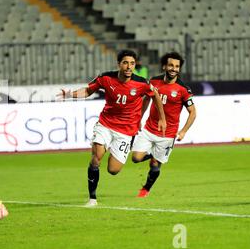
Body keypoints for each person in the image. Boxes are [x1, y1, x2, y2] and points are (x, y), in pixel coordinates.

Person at [58, 49, 167, 206]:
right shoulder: (106, 78)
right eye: (125, 63)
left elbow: (155, 96)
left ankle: (122, 151)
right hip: (106, 124)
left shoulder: (142, 83)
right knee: (96, 158)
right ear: (119, 64)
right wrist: (70, 94)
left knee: (113, 170)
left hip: (126, 132)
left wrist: (162, 118)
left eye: (132, 63)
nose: (129, 67)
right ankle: (92, 199)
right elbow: (88, 90)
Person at [131, 52, 196, 197]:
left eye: (177, 66)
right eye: (171, 65)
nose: (174, 68)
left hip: (168, 134)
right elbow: (146, 100)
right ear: (164, 66)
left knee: (155, 165)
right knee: (136, 158)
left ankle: (146, 189)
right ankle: (153, 154)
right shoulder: (154, 82)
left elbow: (193, 112)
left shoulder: (183, 89)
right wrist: (139, 119)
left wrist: (184, 131)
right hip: (149, 128)